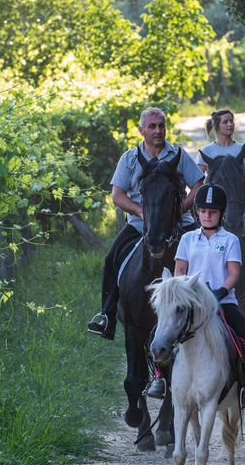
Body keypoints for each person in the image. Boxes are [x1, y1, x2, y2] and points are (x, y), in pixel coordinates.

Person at [87, 107, 204, 340]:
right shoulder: (129, 159)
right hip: (140, 224)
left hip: (179, 223)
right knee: (112, 259)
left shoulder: (177, 155)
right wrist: (143, 213)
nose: (158, 130)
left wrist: (178, 209)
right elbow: (118, 195)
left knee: (202, 253)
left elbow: (199, 184)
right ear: (141, 130)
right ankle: (107, 315)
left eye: (161, 125)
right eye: (152, 126)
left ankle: (214, 310)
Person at [151, 183, 245, 409]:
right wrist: (182, 293)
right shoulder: (187, 239)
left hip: (222, 302)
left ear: (220, 213)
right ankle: (160, 378)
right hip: (190, 303)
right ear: (197, 212)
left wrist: (220, 292)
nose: (207, 215)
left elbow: (234, 273)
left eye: (212, 212)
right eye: (203, 211)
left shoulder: (230, 240)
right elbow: (180, 271)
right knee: (158, 333)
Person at [195, 108, 245, 185]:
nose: (230, 124)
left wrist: (233, 180)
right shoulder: (206, 151)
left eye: (231, 121)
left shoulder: (242, 149)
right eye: (225, 122)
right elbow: (197, 179)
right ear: (217, 126)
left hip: (237, 195)